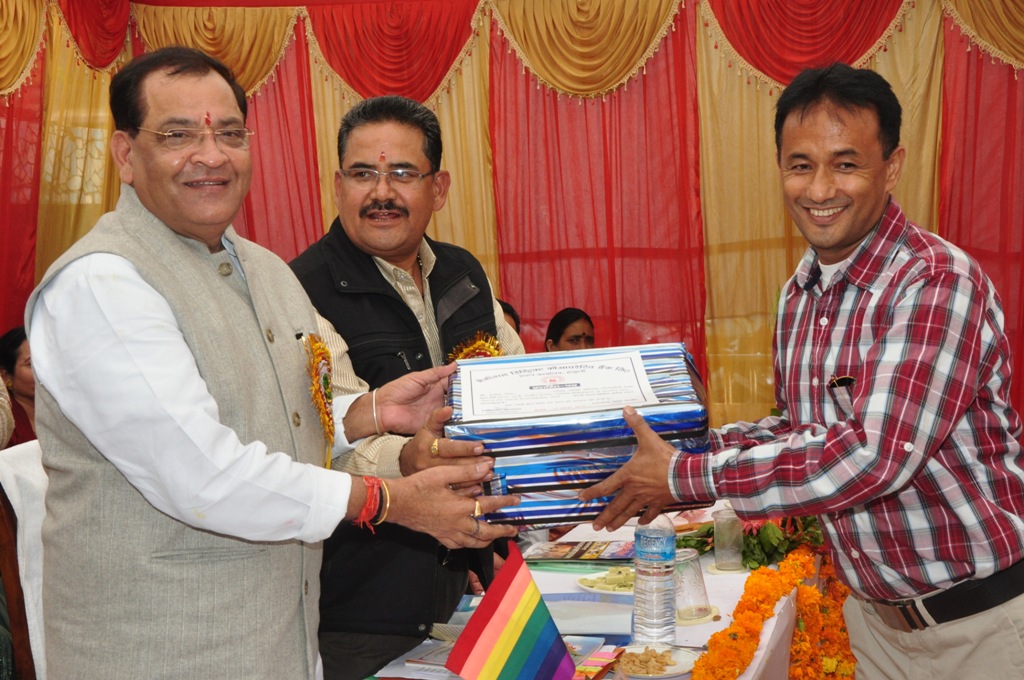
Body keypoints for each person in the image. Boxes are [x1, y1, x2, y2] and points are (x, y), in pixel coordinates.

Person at [25, 47, 518, 680]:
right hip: (158, 650)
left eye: (229, 134)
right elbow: (200, 475)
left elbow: (280, 420)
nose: (211, 155)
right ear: (125, 153)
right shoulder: (102, 286)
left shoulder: (263, 270)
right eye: (178, 135)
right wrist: (386, 500)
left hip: (277, 639)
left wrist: (369, 413)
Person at [582, 63, 1024, 679]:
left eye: (846, 164)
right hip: (876, 628)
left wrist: (684, 474)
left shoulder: (934, 282)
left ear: (892, 167)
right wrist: (679, 447)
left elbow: (873, 455)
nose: (819, 189)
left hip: (982, 628)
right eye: (800, 165)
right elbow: (800, 430)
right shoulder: (800, 292)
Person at [290, 94, 525, 679]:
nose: (381, 193)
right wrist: (411, 459)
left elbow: (515, 388)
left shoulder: (463, 273)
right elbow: (322, 439)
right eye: (362, 174)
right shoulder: (301, 291)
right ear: (338, 186)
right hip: (362, 606)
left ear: (438, 189)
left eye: (402, 173)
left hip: (466, 581)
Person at [0, 327, 34, 448]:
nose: (43, 371)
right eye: (31, 364)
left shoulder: (66, 413)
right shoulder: (4, 424)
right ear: (6, 376)